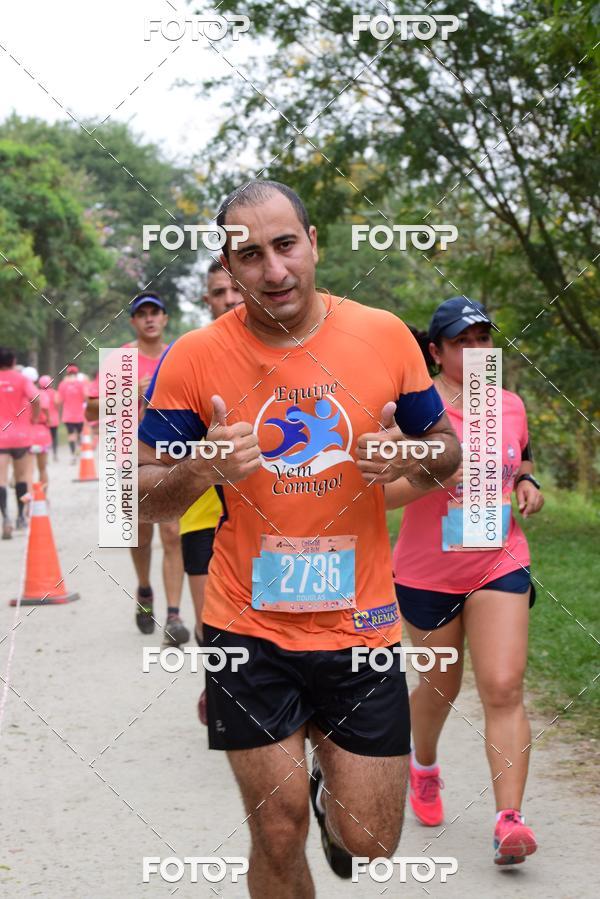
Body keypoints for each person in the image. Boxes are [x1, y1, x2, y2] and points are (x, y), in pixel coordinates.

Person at [137, 180, 460, 894]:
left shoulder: (381, 335)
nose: (273, 269)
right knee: (275, 831)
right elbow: (135, 494)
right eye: (249, 255)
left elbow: (446, 448)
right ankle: (294, 805)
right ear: (229, 265)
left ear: (313, 244)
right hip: (244, 623)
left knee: (370, 840)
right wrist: (203, 464)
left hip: (361, 623)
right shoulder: (191, 359)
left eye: (285, 245)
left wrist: (406, 454)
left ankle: (328, 793)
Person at [386, 297, 544, 867]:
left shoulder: (511, 404)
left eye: (483, 338)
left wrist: (525, 481)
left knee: (502, 685)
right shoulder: (416, 415)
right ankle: (422, 766)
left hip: (498, 560)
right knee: (439, 688)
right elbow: (381, 496)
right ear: (436, 352)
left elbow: (518, 455)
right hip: (427, 572)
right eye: (462, 341)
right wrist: (435, 474)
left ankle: (509, 820)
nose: (477, 350)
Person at [86, 293, 188, 647]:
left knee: (172, 532)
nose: (149, 319)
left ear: (164, 318)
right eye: (141, 314)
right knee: (141, 534)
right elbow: (90, 410)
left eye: (154, 313)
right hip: (130, 455)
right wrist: (129, 393)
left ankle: (174, 614)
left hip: (171, 454)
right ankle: (145, 589)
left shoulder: (179, 355)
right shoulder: (120, 360)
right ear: (133, 321)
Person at [178, 259, 243, 724]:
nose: (229, 300)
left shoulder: (281, 347)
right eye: (219, 292)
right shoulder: (190, 356)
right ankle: (221, 688)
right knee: (210, 623)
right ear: (208, 299)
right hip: (203, 510)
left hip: (269, 510)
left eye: (234, 291)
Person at [0, 348, 39, 538]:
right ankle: (21, 518)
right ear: (14, 361)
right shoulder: (21, 379)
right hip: (20, 436)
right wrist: (36, 417)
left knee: (1, 479)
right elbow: (36, 398)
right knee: (22, 477)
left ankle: (5, 518)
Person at [58, 364, 87, 463]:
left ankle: (72, 454)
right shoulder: (81, 383)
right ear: (76, 373)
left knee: (71, 434)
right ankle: (79, 448)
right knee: (79, 433)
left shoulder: (62, 384)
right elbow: (86, 396)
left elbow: (58, 400)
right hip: (79, 415)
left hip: (68, 415)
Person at [39, 375, 60, 462]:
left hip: (43, 419)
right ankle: (55, 454)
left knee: (44, 438)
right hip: (54, 419)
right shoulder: (54, 392)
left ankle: (45, 456)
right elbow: (57, 403)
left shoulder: (39, 393)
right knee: (54, 437)